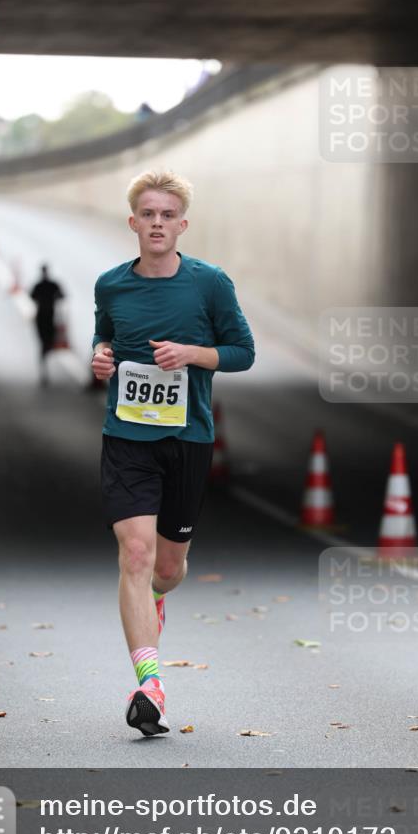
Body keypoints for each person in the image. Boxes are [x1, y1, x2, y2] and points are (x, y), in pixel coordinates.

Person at [91, 169, 255, 736]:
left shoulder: (210, 284)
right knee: (135, 554)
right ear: (133, 222)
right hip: (126, 437)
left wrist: (192, 354)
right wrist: (101, 357)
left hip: (188, 439)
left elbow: (242, 352)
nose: (157, 224)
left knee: (166, 568)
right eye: (148, 215)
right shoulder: (111, 285)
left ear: (182, 225)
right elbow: (104, 336)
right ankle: (150, 686)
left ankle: (156, 599)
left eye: (167, 215)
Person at [30, 264, 65, 385]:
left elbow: (32, 296)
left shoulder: (40, 285)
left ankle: (44, 365)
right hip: (47, 317)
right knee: (46, 342)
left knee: (45, 343)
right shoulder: (50, 285)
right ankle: (44, 367)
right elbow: (62, 296)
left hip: (44, 317)